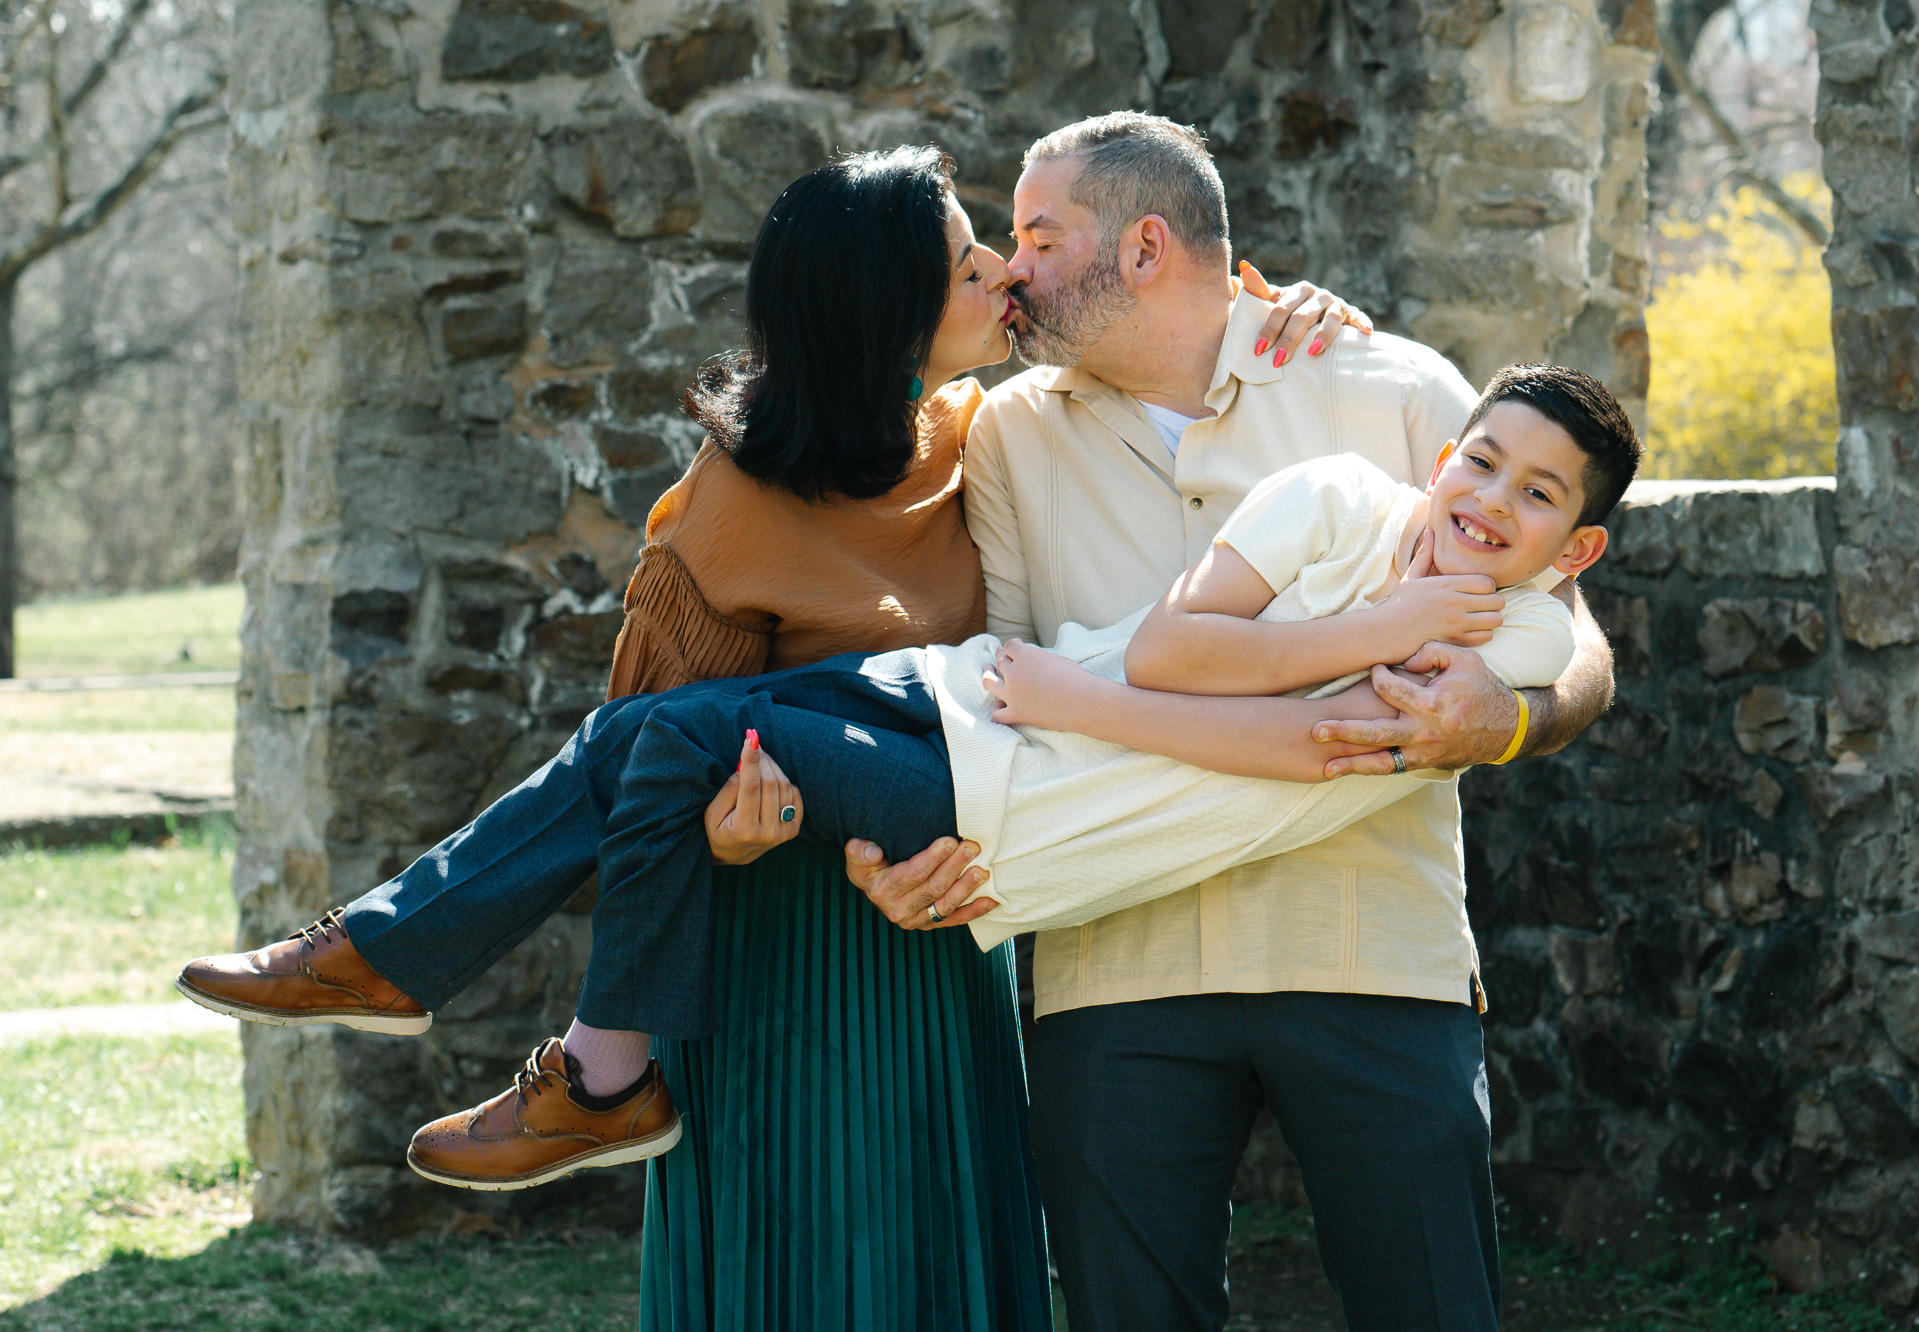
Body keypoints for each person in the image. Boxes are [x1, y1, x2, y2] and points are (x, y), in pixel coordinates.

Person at [176, 144, 1355, 1330]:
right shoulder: (728, 505)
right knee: (790, 1263)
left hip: (937, 921)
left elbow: (1169, 338)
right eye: (964, 264)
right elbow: (639, 783)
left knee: (931, 1262)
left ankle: (446, 990)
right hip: (779, 957)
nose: (1002, 268)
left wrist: (1275, 307)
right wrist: (727, 837)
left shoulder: (986, 436)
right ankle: (487, 1013)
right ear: (886, 315)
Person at [843, 113, 1621, 1332]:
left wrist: (1509, 720)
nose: (1010, 269)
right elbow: (996, 697)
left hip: (1370, 944)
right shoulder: (1004, 435)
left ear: (1145, 247)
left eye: (1038, 237)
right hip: (1116, 959)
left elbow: (1573, 642)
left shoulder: (1393, 386)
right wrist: (919, 851)